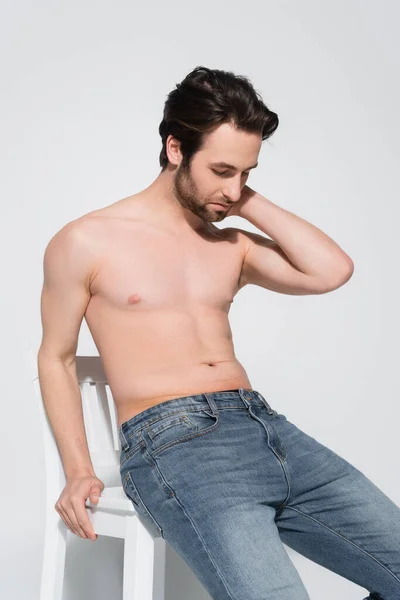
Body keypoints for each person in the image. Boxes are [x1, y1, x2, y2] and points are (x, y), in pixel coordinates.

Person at [38, 66, 398, 600]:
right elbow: (57, 358)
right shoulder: (87, 240)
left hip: (268, 429)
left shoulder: (231, 244)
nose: (232, 189)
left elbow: (332, 271)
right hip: (175, 443)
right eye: (222, 170)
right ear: (176, 148)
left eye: (246, 174)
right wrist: (78, 469)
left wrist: (241, 196)